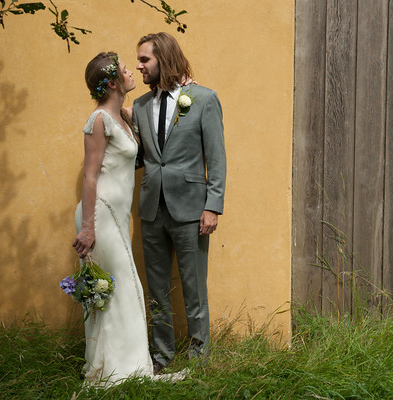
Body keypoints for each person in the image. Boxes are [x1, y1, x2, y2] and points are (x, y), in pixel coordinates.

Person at [72, 52, 185, 385]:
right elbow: (90, 177)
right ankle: (121, 374)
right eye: (124, 70)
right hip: (100, 215)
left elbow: (160, 110)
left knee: (121, 290)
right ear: (112, 82)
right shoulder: (98, 121)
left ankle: (126, 369)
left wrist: (182, 87)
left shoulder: (123, 115)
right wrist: (89, 227)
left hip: (117, 217)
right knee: (114, 292)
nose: (131, 72)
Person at [133, 32, 226, 372]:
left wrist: (212, 205)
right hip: (151, 209)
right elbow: (141, 156)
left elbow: (216, 157)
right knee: (156, 287)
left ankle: (200, 357)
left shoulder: (203, 99)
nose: (139, 65)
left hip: (191, 209)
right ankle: (162, 356)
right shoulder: (141, 106)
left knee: (193, 286)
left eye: (145, 59)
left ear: (164, 58)